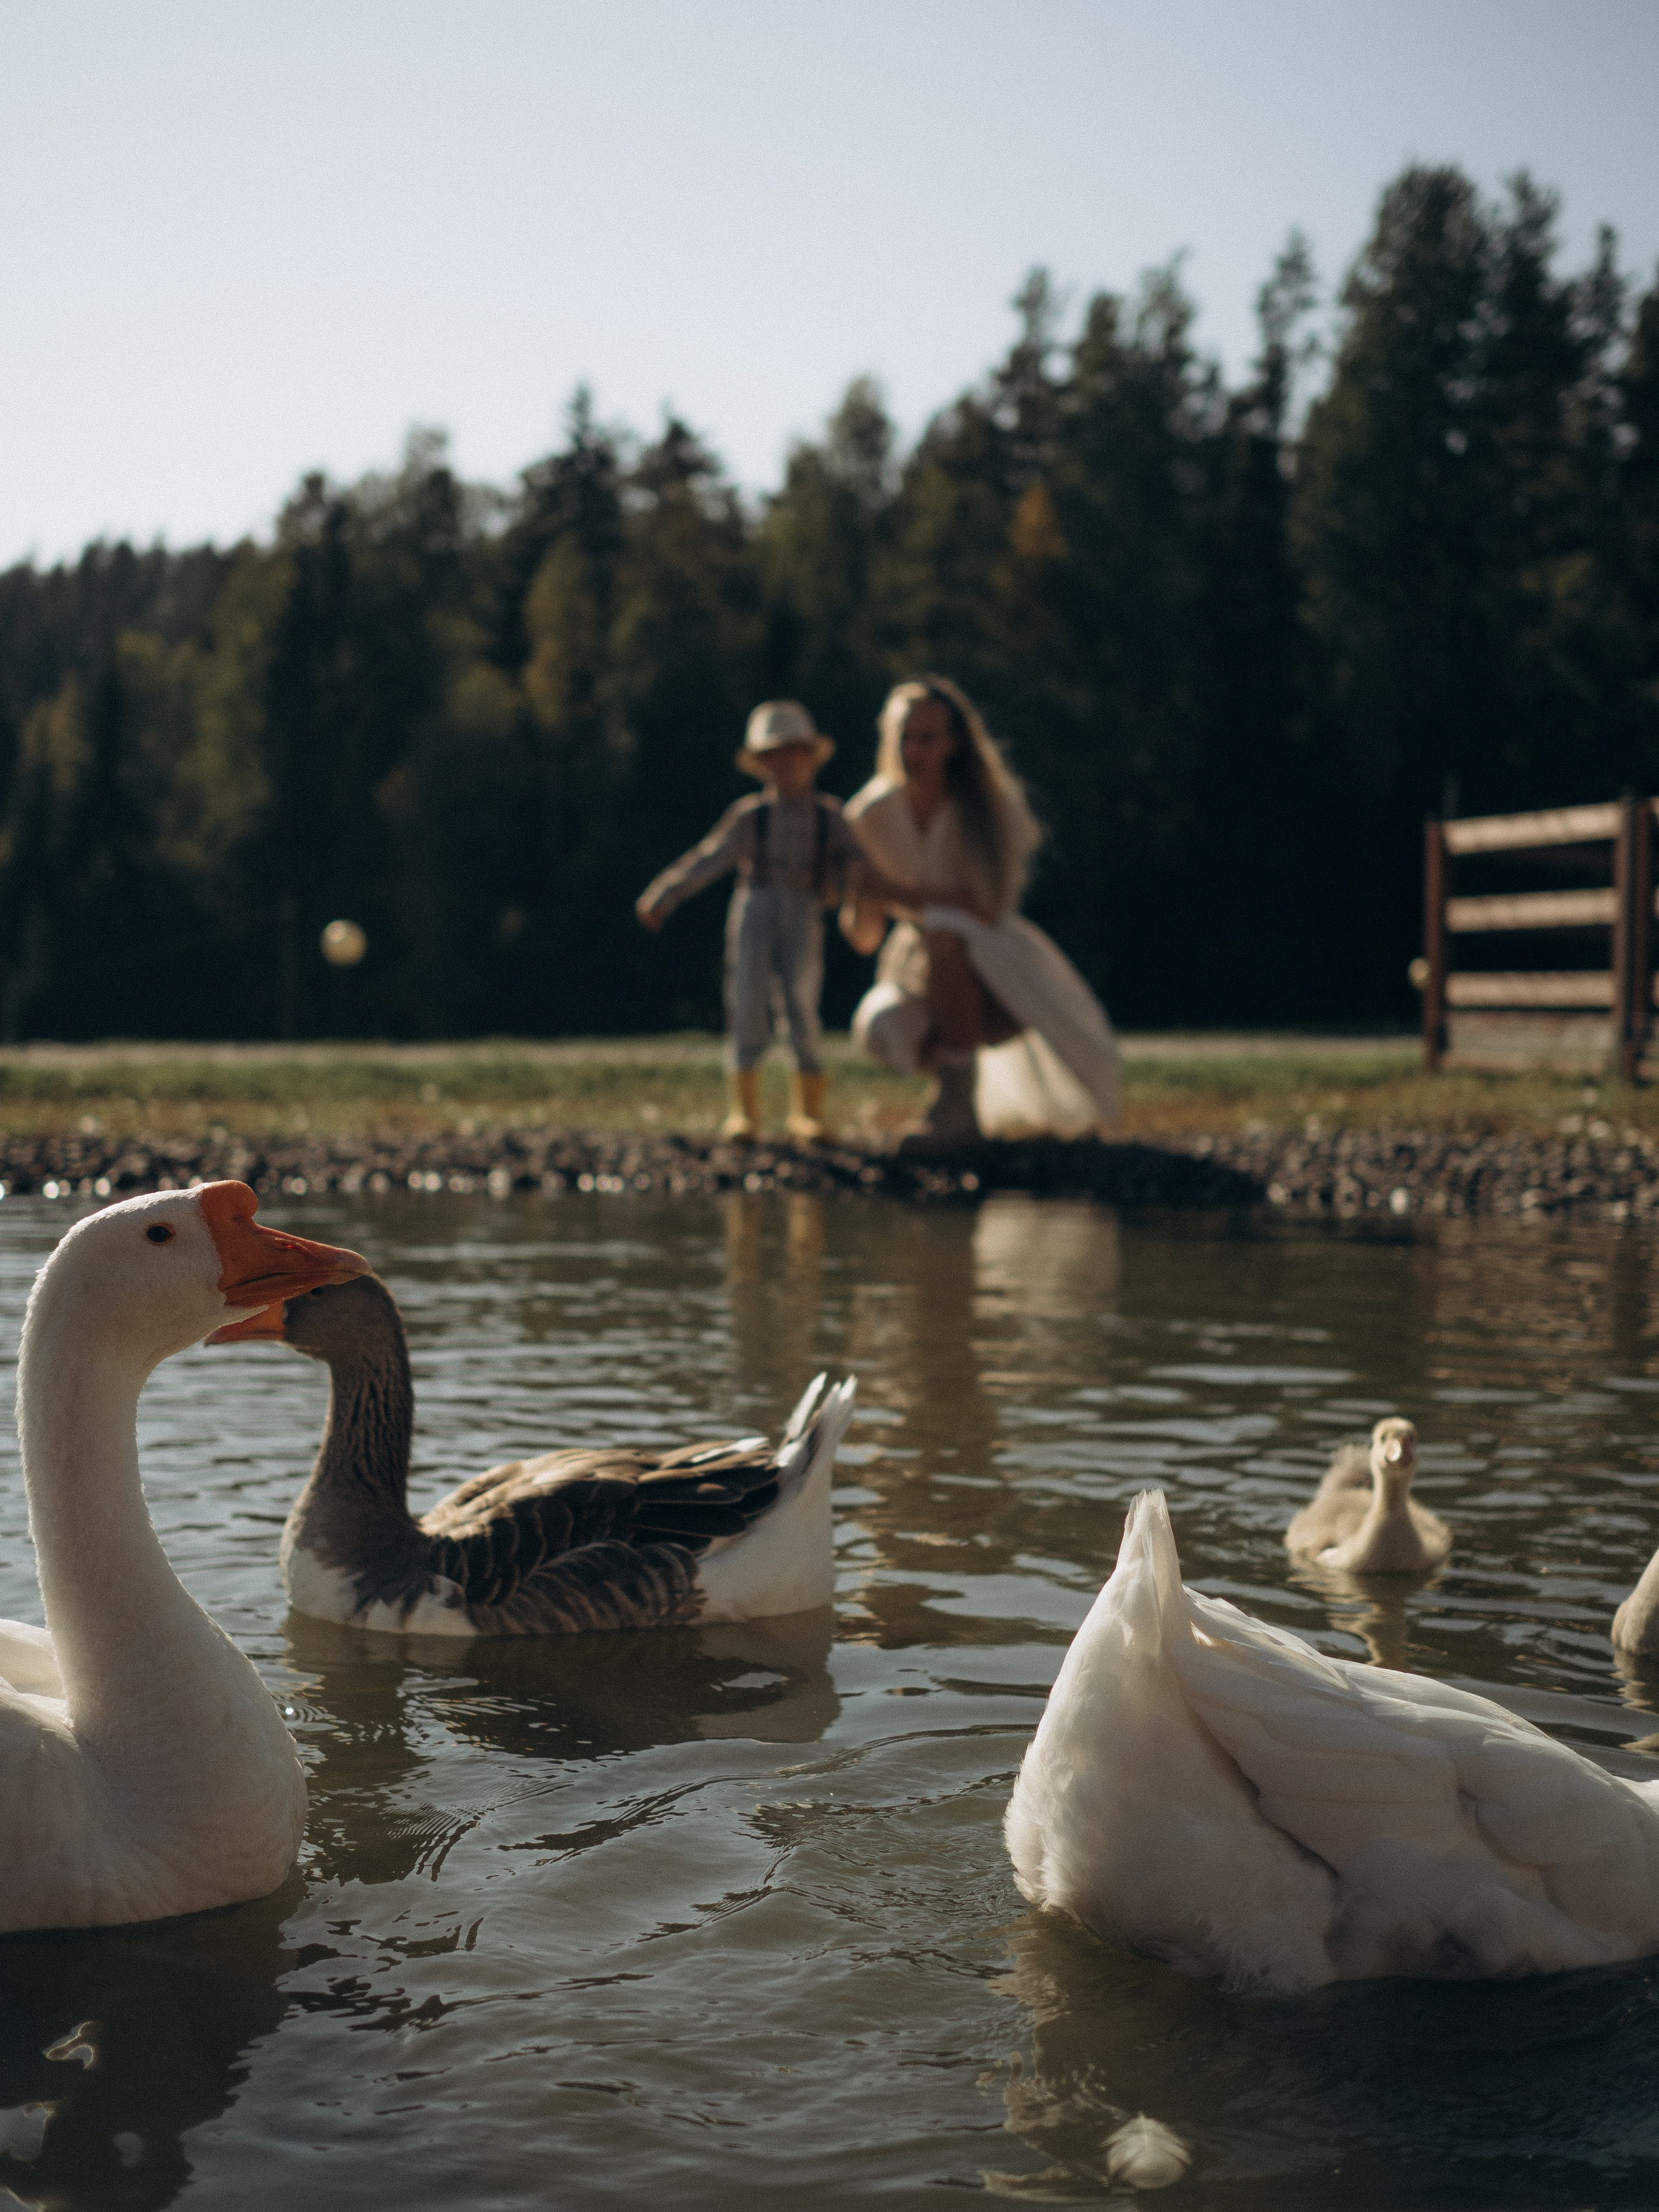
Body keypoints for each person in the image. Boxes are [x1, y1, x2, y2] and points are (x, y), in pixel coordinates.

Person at [841, 675, 1120, 1146]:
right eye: (904, 737)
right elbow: (865, 938)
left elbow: (989, 910)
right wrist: (862, 896)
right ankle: (951, 1095)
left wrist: (895, 890)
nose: (913, 750)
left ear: (953, 743)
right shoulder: (868, 814)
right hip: (915, 961)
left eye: (927, 738)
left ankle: (958, 1108)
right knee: (880, 1022)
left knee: (946, 930)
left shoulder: (989, 804)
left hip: (995, 958)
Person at [636, 700, 905, 1145]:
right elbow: (709, 858)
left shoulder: (830, 815)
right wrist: (664, 894)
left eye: (795, 752)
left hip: (803, 906)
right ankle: (745, 1111)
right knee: (746, 996)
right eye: (775, 754)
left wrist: (867, 884)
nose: (787, 763)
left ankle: (809, 1112)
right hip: (755, 903)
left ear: (810, 756)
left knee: (802, 999)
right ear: (761, 763)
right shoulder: (749, 816)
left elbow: (859, 860)